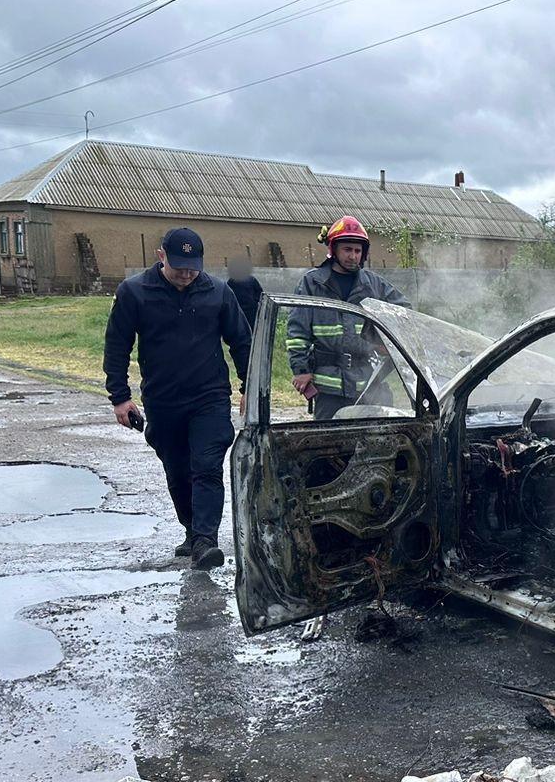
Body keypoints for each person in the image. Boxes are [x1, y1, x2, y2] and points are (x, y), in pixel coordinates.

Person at [104, 227, 251, 570]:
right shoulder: (134, 293)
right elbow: (117, 345)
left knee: (207, 465)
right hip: (162, 400)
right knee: (178, 470)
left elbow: (242, 341)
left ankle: (205, 541)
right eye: (179, 266)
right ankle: (191, 531)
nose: (186, 274)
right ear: (161, 257)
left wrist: (249, 386)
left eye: (192, 267)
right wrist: (120, 397)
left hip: (209, 398)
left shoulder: (218, 292)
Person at [286, 215, 409, 420]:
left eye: (357, 251)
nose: (353, 256)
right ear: (333, 250)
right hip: (329, 387)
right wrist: (301, 369)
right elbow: (297, 331)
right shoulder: (313, 283)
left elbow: (403, 312)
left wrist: (382, 342)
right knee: (329, 444)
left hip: (368, 384)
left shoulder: (373, 284)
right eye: (347, 249)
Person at [225, 255, 264, 331]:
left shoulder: (232, 280)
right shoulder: (251, 279)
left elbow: (226, 295)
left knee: (239, 330)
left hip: (241, 310)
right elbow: (260, 294)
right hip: (249, 310)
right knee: (251, 330)